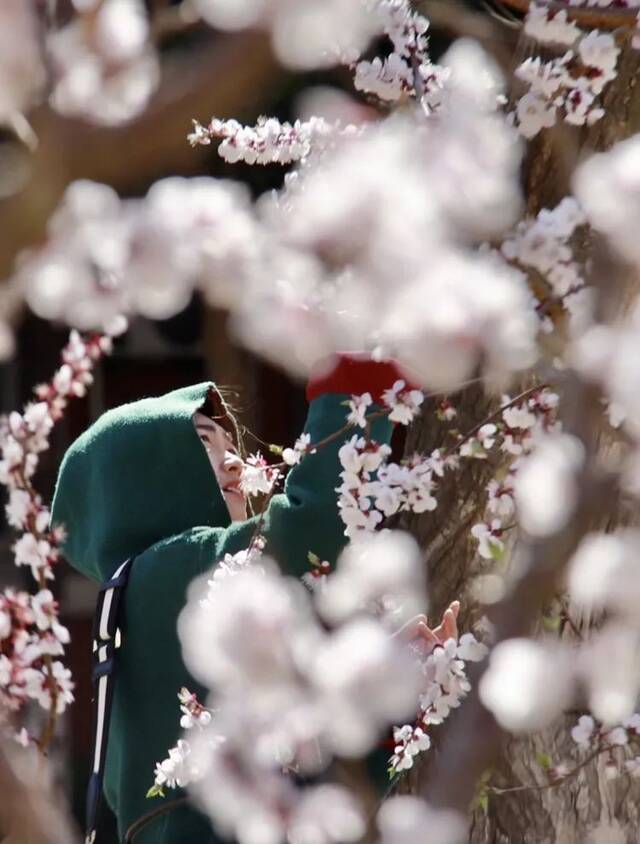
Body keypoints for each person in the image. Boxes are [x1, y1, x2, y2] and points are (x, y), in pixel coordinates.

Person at [51, 355, 456, 843]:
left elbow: (323, 793)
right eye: (202, 441)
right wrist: (354, 380)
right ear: (137, 479)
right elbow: (317, 528)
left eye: (229, 443)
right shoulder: (163, 573)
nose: (235, 461)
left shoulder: (143, 604)